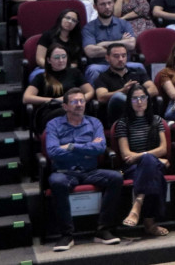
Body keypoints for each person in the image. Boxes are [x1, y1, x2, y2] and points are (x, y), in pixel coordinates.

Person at [46, 88, 122, 252]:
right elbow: (53, 152)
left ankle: (102, 230)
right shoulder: (53, 125)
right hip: (64, 172)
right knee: (56, 182)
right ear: (65, 106)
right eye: (74, 102)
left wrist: (72, 147)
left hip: (90, 171)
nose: (79, 105)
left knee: (116, 178)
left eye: (81, 101)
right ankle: (66, 235)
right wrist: (87, 149)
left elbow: (100, 148)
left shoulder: (94, 123)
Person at [115, 84, 170, 237]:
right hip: (133, 168)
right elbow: (126, 155)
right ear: (129, 101)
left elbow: (163, 149)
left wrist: (143, 155)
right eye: (134, 98)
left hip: (149, 164)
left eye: (142, 97)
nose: (139, 101)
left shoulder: (157, 120)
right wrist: (153, 158)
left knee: (149, 163)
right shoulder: (123, 123)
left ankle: (137, 205)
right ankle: (150, 222)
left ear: (148, 100)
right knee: (156, 174)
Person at [82, 0, 141, 84]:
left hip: (124, 64)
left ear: (113, 3)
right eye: (103, 4)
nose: (107, 7)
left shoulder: (123, 24)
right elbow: (90, 51)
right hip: (101, 65)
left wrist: (104, 44)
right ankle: (97, 97)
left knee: (139, 67)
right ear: (95, 7)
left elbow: (131, 44)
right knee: (92, 70)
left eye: (109, 3)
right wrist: (121, 44)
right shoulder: (89, 28)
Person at [94, 43, 158, 125]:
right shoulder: (102, 77)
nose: (121, 59)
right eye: (116, 56)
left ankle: (141, 117)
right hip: (119, 118)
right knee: (118, 97)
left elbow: (154, 89)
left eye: (124, 56)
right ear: (107, 58)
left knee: (143, 98)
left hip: (141, 111)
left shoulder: (137, 72)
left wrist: (137, 97)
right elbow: (101, 97)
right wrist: (122, 91)